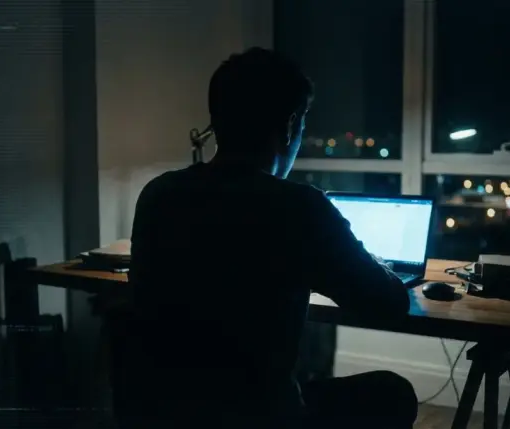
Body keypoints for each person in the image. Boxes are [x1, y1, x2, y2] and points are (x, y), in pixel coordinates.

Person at [126, 47, 418, 429]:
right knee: (393, 393)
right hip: (264, 417)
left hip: (168, 413)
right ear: (290, 123)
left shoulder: (157, 195)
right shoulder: (299, 207)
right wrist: (372, 263)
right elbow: (388, 303)